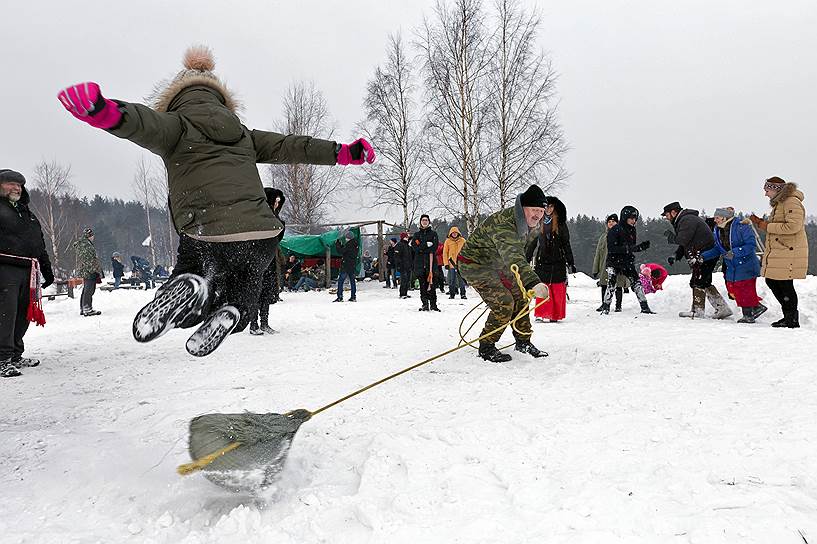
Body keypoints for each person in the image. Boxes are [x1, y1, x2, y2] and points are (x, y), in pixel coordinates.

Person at [58, 45, 374, 356]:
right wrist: (344, 152)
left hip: (205, 230)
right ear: (222, 101)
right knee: (246, 288)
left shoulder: (174, 126)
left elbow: (141, 123)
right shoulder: (243, 134)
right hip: (261, 232)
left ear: (173, 101)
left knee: (193, 273)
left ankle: (194, 288)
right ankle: (233, 309)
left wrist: (103, 111)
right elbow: (294, 146)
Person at [458, 185, 550, 362]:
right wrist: (532, 281)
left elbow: (521, 252)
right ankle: (486, 346)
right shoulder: (505, 224)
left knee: (521, 298)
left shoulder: (529, 224)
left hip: (497, 263)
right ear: (523, 207)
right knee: (505, 302)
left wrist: (525, 281)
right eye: (534, 210)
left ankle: (523, 341)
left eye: (541, 210)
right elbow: (513, 256)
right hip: (474, 264)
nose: (538, 214)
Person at [0, 169, 54, 377]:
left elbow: (38, 244)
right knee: (5, 315)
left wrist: (47, 271)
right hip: (4, 269)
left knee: (22, 315)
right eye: (10, 184)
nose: (16, 188)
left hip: (28, 270)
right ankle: (2, 359)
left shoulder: (27, 214)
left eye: (19, 185)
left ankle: (14, 355)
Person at [749, 176, 808, 328]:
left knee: (785, 284)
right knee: (773, 281)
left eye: (767, 190)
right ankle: (789, 316)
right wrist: (762, 224)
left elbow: (793, 227)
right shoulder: (781, 203)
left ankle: (791, 319)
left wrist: (766, 225)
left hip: (788, 250)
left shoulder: (791, 202)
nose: (765, 194)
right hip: (780, 250)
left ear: (776, 189)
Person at [662, 201, 732, 319]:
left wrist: (672, 237)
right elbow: (686, 243)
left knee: (697, 281)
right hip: (704, 254)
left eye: (667, 215)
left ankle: (697, 310)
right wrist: (676, 255)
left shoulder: (686, 220)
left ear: (674, 212)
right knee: (703, 281)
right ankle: (721, 308)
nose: (667, 218)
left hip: (704, 255)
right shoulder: (685, 219)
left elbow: (683, 240)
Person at [698, 207, 765, 323]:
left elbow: (751, 245)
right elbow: (717, 249)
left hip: (746, 264)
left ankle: (748, 315)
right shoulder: (718, 230)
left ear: (725, 218)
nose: (715, 220)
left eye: (717, 218)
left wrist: (735, 252)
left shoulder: (742, 227)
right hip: (732, 265)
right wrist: (703, 256)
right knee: (733, 289)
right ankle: (757, 307)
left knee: (744, 288)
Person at [527, 196, 574, 323]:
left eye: (551, 206)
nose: (548, 209)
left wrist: (571, 261)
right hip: (543, 259)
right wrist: (527, 257)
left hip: (558, 260)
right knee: (543, 287)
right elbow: (532, 242)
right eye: (546, 206)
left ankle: (555, 314)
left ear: (555, 208)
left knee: (557, 288)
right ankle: (541, 313)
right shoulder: (538, 223)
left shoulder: (560, 224)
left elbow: (566, 243)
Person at [600, 206, 655, 315]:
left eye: (635, 219)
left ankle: (644, 306)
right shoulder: (615, 230)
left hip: (627, 261)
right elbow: (612, 248)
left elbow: (631, 247)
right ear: (625, 217)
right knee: (611, 284)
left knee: (637, 282)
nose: (634, 221)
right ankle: (606, 307)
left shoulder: (632, 230)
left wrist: (639, 248)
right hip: (614, 261)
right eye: (631, 218)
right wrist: (632, 248)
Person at [249, 188, 286, 335]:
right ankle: (253, 324)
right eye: (275, 201)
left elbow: (278, 237)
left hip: (270, 260)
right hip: (257, 260)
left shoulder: (276, 218)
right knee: (256, 292)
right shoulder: (260, 217)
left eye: (279, 202)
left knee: (267, 292)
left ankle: (264, 323)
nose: (277, 204)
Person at [592, 214, 630, 312]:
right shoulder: (603, 237)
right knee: (604, 284)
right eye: (609, 222)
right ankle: (604, 304)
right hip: (605, 265)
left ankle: (618, 306)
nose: (611, 223)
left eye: (613, 221)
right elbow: (598, 254)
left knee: (618, 285)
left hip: (619, 264)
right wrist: (595, 269)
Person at [411, 214, 440, 312]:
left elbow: (435, 247)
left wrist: (423, 249)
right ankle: (425, 304)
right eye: (423, 220)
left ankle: (433, 305)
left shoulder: (433, 234)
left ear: (429, 222)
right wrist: (425, 245)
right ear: (420, 222)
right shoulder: (416, 235)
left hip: (430, 264)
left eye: (426, 220)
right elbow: (415, 247)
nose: (424, 222)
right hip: (419, 264)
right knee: (422, 285)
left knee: (431, 284)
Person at [74, 227, 103, 316]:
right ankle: (87, 308)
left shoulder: (84, 244)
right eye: (92, 235)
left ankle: (83, 308)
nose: (93, 237)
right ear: (89, 236)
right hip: (89, 271)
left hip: (86, 270)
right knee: (89, 290)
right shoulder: (86, 245)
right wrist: (93, 270)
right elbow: (88, 259)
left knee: (86, 289)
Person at [443, 226, 467, 299]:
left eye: (455, 233)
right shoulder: (448, 241)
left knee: (461, 280)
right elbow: (445, 253)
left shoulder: (463, 240)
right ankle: (452, 294)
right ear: (450, 234)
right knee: (452, 280)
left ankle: (463, 294)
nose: (454, 234)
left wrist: (466, 262)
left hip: (461, 263)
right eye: (453, 233)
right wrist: (446, 263)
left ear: (458, 233)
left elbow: (467, 251)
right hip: (451, 263)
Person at [334, 231, 359, 302]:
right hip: (352, 265)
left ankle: (340, 297)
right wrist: (342, 246)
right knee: (352, 281)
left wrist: (337, 244)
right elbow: (346, 252)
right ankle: (353, 296)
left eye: (346, 237)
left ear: (348, 238)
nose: (345, 239)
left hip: (346, 265)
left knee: (340, 281)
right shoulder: (355, 244)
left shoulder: (349, 244)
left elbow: (341, 251)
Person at [395, 232, 413, 299]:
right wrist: (399, 265)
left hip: (408, 266)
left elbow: (410, 256)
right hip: (403, 266)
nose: (407, 238)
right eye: (406, 236)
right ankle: (402, 294)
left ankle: (405, 293)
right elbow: (397, 256)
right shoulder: (399, 245)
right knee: (404, 280)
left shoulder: (407, 245)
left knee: (407, 280)